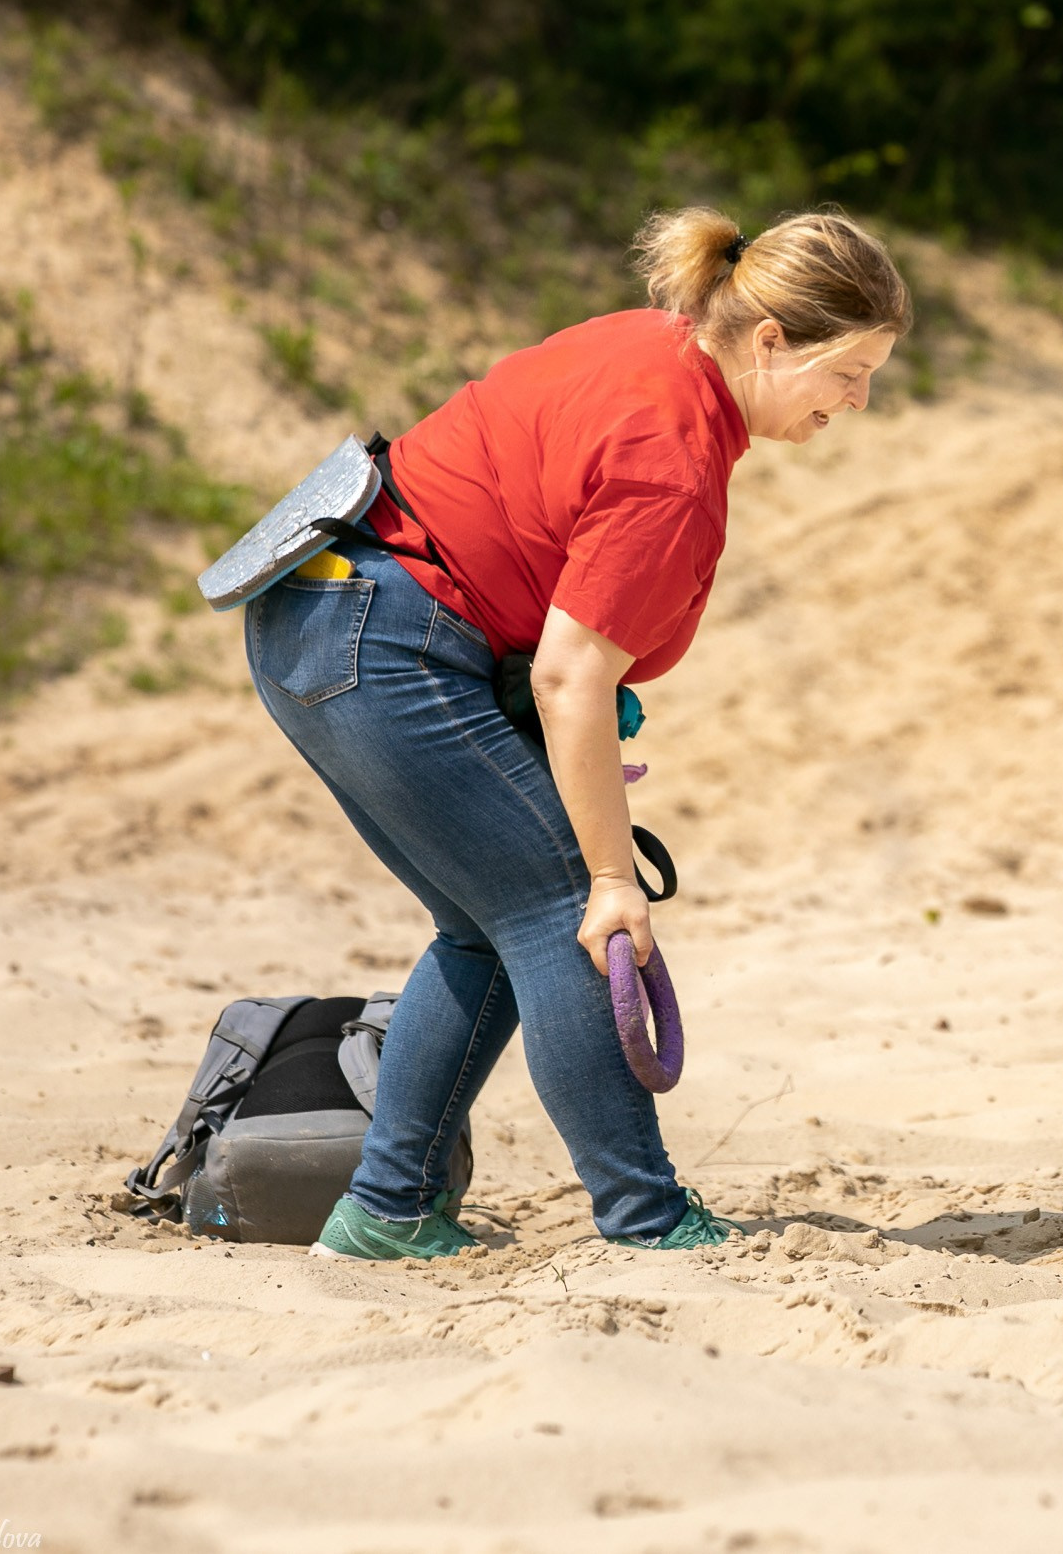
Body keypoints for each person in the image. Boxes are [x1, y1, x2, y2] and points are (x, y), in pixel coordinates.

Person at [243, 205, 910, 1259]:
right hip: (381, 636)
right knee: (566, 909)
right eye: (850, 370)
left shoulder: (660, 342)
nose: (860, 399)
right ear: (773, 340)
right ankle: (644, 1217)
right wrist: (611, 877)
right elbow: (570, 678)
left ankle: (389, 1211)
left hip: (319, 616)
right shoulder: (675, 458)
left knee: (487, 925)